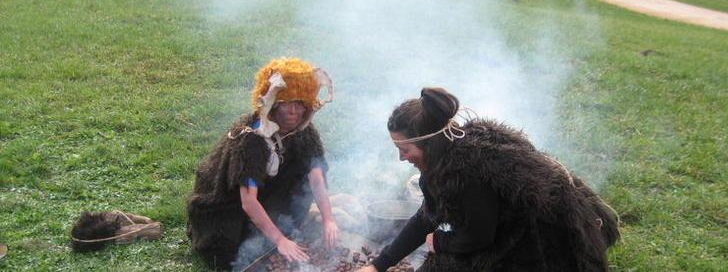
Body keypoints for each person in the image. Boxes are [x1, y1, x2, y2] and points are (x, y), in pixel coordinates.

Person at [357, 87, 620, 272]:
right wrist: (379, 265)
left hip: (545, 241)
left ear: (429, 142)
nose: (402, 158)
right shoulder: (446, 155)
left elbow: (477, 238)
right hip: (509, 231)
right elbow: (427, 216)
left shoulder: (468, 172)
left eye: (405, 150)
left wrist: (438, 241)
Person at [187, 58, 338, 270]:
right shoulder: (252, 139)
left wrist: (328, 219)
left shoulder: (304, 130)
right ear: (273, 104)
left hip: (266, 192)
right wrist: (279, 240)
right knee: (236, 253)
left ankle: (278, 229)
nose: (294, 112)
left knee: (302, 176)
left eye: (299, 104)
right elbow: (248, 202)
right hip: (225, 208)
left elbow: (316, 177)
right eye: (286, 104)